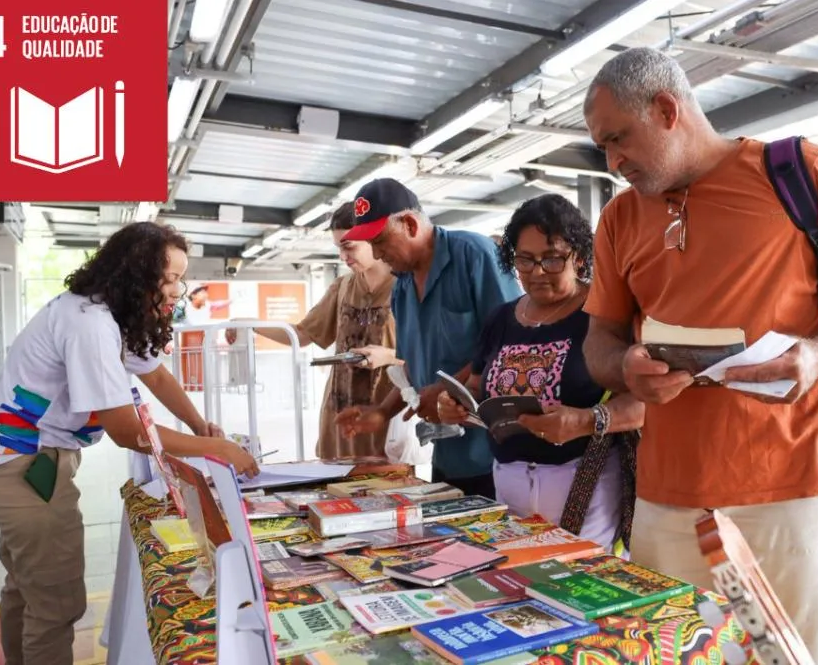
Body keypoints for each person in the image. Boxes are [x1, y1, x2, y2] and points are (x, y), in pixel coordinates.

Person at [580, 47, 818, 663]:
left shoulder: (798, 171)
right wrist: (625, 366)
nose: (613, 161)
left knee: (788, 654)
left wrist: (817, 356)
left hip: (789, 480)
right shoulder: (618, 219)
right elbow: (598, 342)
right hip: (665, 493)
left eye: (618, 139)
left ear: (665, 108)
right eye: (602, 147)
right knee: (675, 651)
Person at [0, 222, 257, 665]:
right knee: (56, 603)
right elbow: (126, 430)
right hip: (23, 466)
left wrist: (200, 426)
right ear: (139, 274)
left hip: (22, 460)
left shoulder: (110, 313)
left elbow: (155, 373)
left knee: (26, 585)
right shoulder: (90, 324)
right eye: (172, 278)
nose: (179, 289)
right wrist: (215, 451)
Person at [434, 194, 643, 548]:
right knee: (518, 585)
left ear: (578, 257)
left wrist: (584, 420)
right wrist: (452, 406)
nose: (537, 273)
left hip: (583, 488)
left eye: (552, 259)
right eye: (525, 261)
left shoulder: (604, 315)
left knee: (578, 587)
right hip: (508, 485)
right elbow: (476, 388)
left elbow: (644, 402)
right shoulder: (501, 318)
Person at [334, 178, 522, 498]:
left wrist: (449, 389)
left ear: (409, 224)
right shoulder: (403, 288)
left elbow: (511, 341)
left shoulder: (474, 255)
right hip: (447, 456)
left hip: (498, 457)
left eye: (380, 241)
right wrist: (382, 412)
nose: (377, 254)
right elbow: (411, 367)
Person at [227, 202, 401, 459]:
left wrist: (387, 356)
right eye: (338, 248)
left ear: (373, 238)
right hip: (338, 419)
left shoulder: (406, 288)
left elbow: (428, 358)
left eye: (348, 246)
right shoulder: (342, 287)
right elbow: (302, 334)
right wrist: (252, 323)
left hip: (382, 418)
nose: (343, 257)